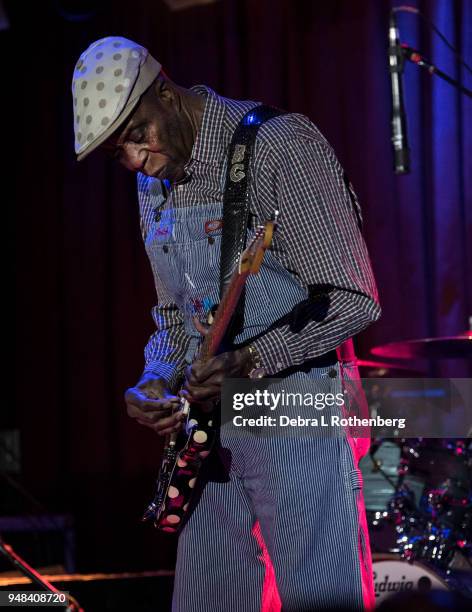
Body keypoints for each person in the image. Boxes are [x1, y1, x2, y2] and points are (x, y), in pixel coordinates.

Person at [72, 36, 381, 612]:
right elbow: (173, 315)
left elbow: (353, 296)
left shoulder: (281, 145)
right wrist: (155, 376)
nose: (137, 159)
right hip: (212, 430)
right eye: (121, 152)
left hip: (299, 410)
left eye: (139, 134)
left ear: (165, 93)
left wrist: (251, 359)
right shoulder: (152, 181)